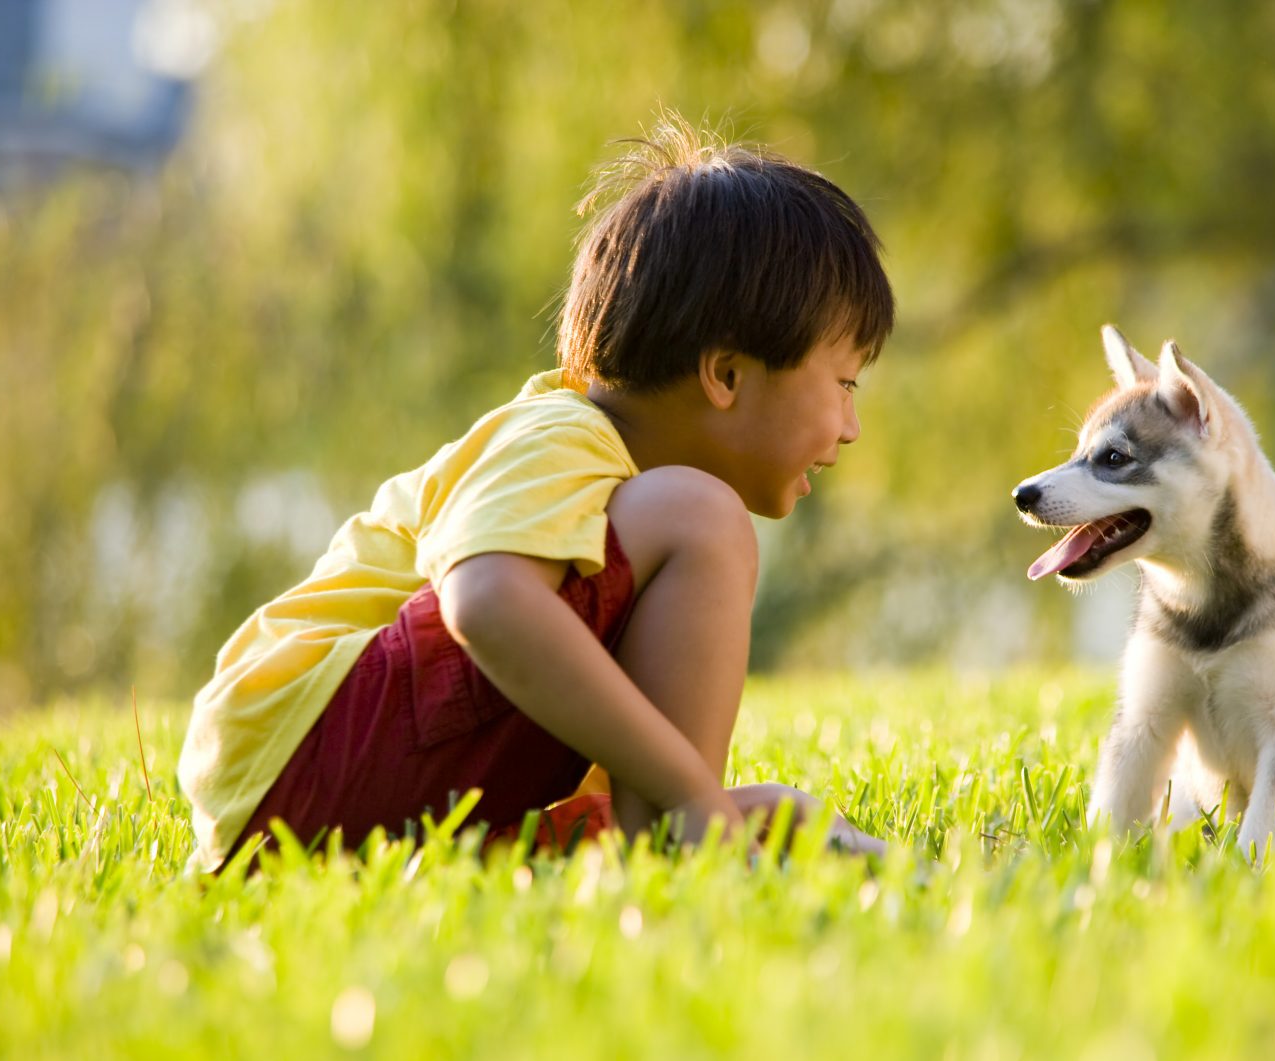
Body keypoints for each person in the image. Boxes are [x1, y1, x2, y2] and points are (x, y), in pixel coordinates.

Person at [176, 116, 894, 873]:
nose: (850, 427)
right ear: (725, 375)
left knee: (769, 811)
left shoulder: (620, 518)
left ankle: (666, 849)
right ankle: (685, 842)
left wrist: (693, 801)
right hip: (304, 758)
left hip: (320, 812)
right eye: (844, 384)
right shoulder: (564, 434)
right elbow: (485, 602)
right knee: (703, 516)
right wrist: (692, 797)